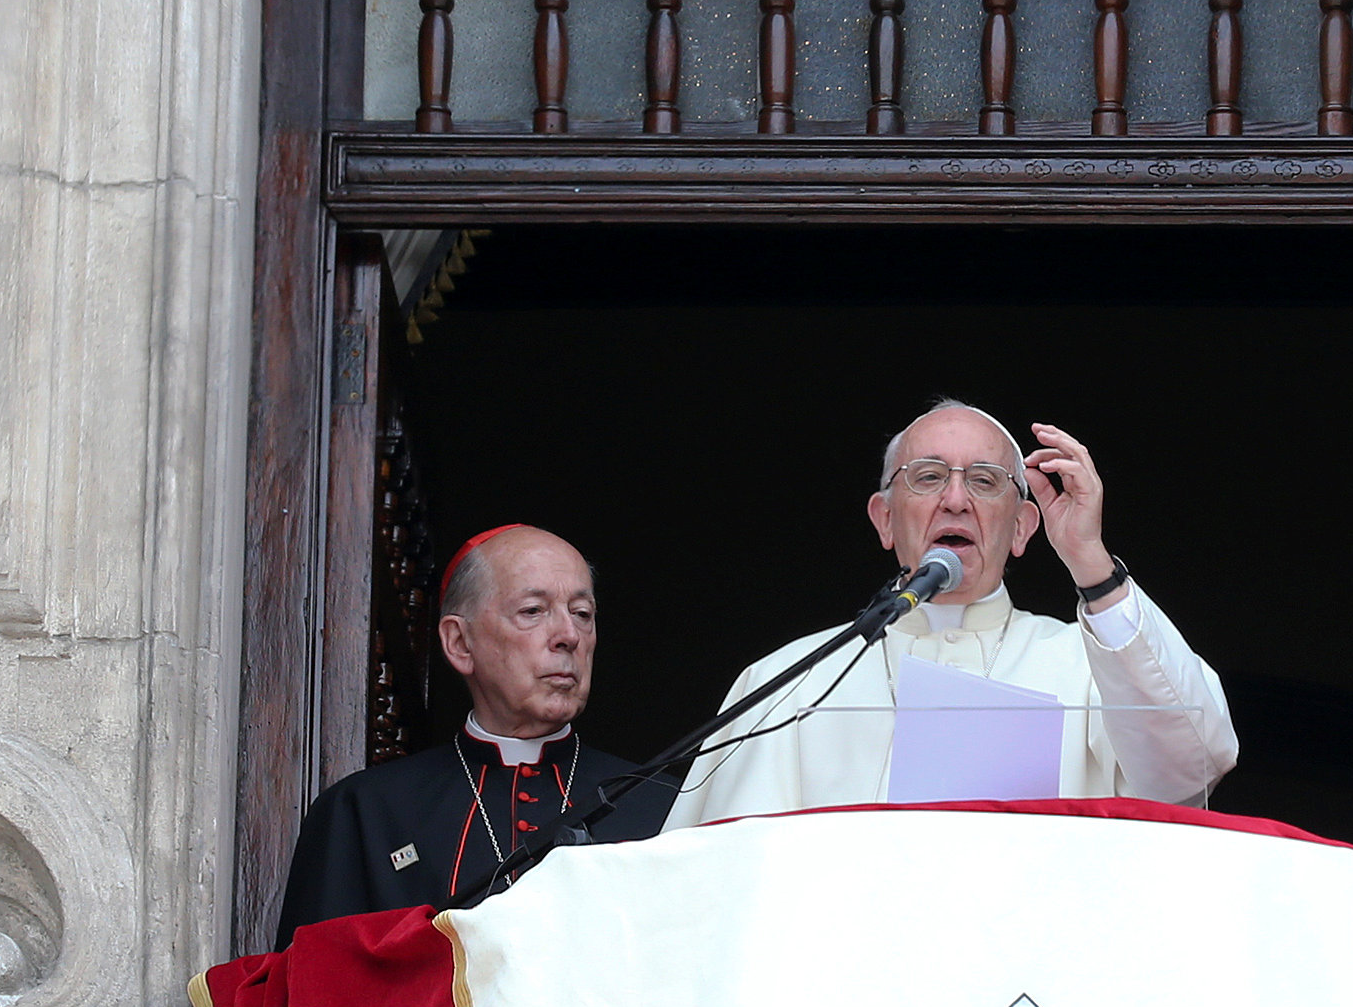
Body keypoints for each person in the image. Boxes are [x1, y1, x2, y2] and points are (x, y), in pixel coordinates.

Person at [667, 401, 1237, 827]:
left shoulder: (1087, 667)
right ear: (885, 519)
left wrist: (1090, 561)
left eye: (986, 482)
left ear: (1022, 528)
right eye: (930, 477)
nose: (956, 500)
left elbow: (1189, 771)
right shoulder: (785, 682)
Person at [275, 525, 675, 941]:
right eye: (533, 611)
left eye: (582, 614)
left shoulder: (664, 807)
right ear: (460, 643)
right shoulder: (363, 812)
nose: (569, 636)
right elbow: (312, 992)